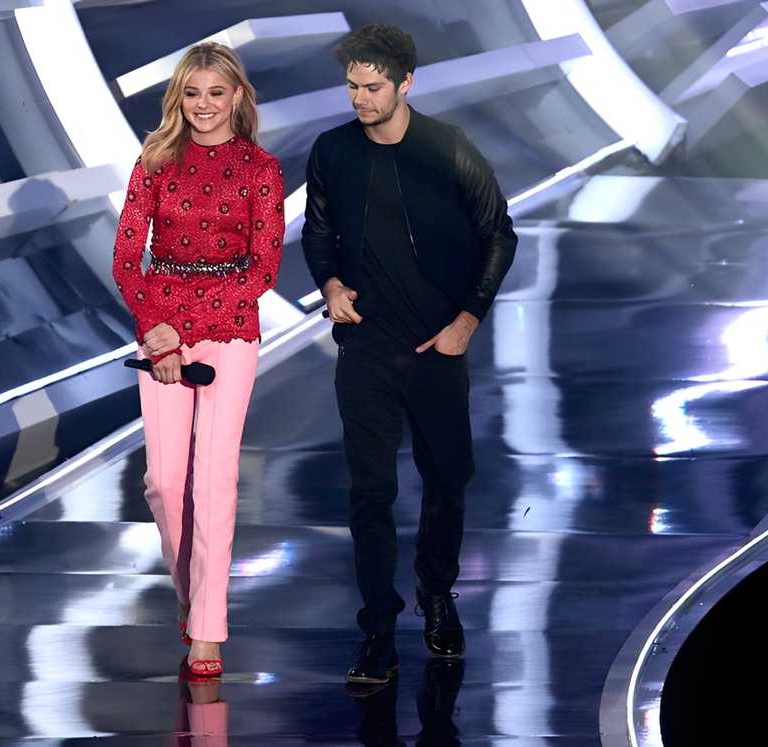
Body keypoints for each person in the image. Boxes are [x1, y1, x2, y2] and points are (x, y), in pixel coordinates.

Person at [301, 24, 517, 684]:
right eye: (352, 87)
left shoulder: (447, 149)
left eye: (373, 87)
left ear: (405, 84)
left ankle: (437, 591)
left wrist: (467, 320)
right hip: (366, 347)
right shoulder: (333, 152)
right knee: (370, 490)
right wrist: (331, 285)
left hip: (435, 348)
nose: (360, 98)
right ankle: (378, 630)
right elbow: (318, 232)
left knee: (448, 476)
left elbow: (500, 235)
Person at [111, 42, 284, 679]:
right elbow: (128, 259)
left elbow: (263, 269)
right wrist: (159, 333)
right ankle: (191, 589)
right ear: (178, 99)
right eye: (192, 93)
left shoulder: (261, 169)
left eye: (216, 92)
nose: (204, 105)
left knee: (214, 479)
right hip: (159, 329)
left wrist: (190, 330)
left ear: (237, 96)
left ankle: (208, 627)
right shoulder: (155, 161)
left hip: (232, 328)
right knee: (163, 482)